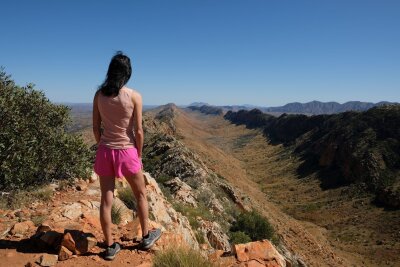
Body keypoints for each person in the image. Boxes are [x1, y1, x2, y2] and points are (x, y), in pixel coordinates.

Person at [92, 51, 161, 260]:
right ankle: (147, 236)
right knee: (140, 195)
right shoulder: (134, 96)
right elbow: (139, 131)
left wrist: (103, 146)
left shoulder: (99, 95)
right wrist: (138, 154)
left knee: (106, 200)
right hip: (127, 152)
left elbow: (96, 127)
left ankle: (111, 246)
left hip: (105, 151)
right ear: (127, 73)